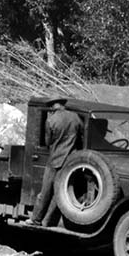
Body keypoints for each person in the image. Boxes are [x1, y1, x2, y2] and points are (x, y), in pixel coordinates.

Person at [29, 96, 81, 225]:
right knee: (59, 193)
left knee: (45, 192)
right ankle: (48, 220)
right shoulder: (75, 117)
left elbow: (47, 142)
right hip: (70, 160)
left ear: (52, 107)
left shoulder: (51, 120)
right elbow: (81, 135)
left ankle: (36, 218)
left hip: (55, 159)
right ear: (63, 104)